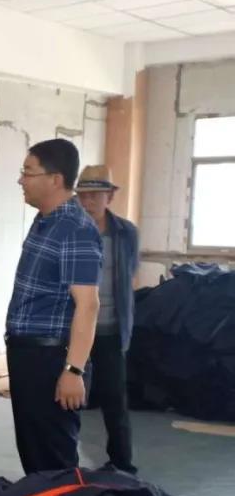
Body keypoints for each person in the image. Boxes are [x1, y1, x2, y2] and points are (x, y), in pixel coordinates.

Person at [6, 139, 102, 473]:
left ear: (55, 179)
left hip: (51, 360)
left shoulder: (75, 229)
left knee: (54, 462)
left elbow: (88, 305)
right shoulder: (46, 221)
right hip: (29, 356)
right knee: (35, 456)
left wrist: (73, 370)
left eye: (28, 172)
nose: (21, 180)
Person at [76, 165, 140, 473]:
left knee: (115, 401)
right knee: (71, 399)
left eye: (95, 196)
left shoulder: (126, 233)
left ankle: (123, 465)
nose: (88, 202)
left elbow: (129, 274)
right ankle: (66, 464)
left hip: (111, 331)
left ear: (110, 197)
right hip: (76, 332)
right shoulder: (71, 232)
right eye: (83, 196)